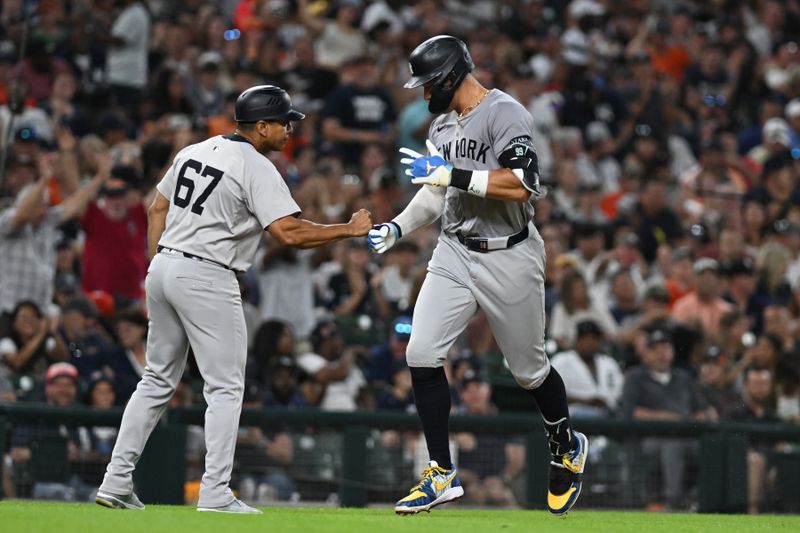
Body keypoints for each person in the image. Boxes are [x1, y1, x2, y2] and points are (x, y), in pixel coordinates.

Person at [96, 85, 372, 514]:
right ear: (261, 126)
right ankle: (215, 492)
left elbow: (155, 209)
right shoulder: (256, 166)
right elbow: (288, 233)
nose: (289, 129)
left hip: (166, 268)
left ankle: (115, 480)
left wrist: (159, 263)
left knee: (156, 380)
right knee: (225, 387)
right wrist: (348, 230)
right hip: (208, 273)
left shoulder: (195, 150)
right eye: (283, 122)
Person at [367, 36, 588, 516]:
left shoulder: (505, 112)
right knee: (421, 351)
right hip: (454, 249)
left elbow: (521, 183)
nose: (424, 95)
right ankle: (441, 472)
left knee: (529, 371)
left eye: (429, 84)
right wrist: (398, 226)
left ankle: (565, 445)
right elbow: (436, 192)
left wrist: (454, 175)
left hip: (509, 253)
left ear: (450, 76)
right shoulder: (442, 124)